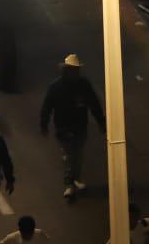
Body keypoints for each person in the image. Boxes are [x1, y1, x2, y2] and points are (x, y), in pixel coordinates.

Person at [39, 53, 105, 200]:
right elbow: (47, 107)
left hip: (80, 126)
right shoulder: (55, 87)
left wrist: (101, 122)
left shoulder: (84, 85)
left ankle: (76, 178)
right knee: (69, 155)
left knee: (77, 154)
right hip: (63, 127)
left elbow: (94, 104)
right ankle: (69, 184)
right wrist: (44, 124)